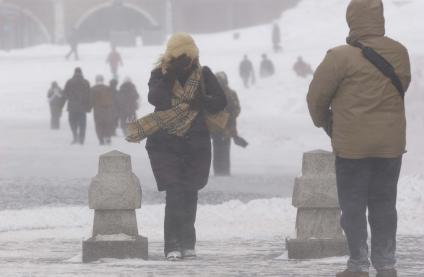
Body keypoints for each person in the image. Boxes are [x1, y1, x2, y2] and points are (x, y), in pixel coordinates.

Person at [307, 1, 411, 277]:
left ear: (352, 20)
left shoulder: (340, 57)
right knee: (384, 204)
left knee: (353, 206)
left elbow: (316, 98)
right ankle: (386, 263)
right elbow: (403, 85)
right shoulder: (399, 52)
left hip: (352, 147)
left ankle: (358, 265)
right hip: (390, 146)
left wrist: (327, 123)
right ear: (380, 18)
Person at [125, 33, 226, 261]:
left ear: (193, 57)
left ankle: (188, 243)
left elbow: (221, 101)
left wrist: (203, 102)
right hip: (165, 143)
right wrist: (170, 76)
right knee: (175, 192)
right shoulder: (159, 75)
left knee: (190, 192)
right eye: (179, 58)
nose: (185, 63)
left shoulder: (203, 75)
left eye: (187, 58)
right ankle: (171, 245)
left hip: (195, 143)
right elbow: (156, 99)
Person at [212, 72, 241, 176]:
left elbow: (237, 109)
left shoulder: (230, 93)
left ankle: (224, 172)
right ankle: (219, 172)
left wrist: (228, 117)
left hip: (227, 126)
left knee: (224, 149)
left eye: (220, 80)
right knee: (217, 149)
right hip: (216, 127)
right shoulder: (212, 93)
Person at [63, 68, 91, 145]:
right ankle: (81, 139)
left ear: (74, 73)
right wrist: (89, 107)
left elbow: (65, 94)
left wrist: (62, 105)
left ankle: (75, 136)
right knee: (82, 124)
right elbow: (89, 95)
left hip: (72, 107)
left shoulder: (69, 82)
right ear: (81, 73)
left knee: (72, 123)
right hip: (83, 107)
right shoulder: (86, 82)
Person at [90, 75, 117, 145]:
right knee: (107, 123)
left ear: (96, 80)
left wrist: (89, 107)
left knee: (99, 124)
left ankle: (101, 139)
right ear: (102, 80)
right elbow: (112, 97)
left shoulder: (93, 89)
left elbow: (90, 100)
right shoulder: (107, 88)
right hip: (107, 109)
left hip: (97, 109)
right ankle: (108, 136)